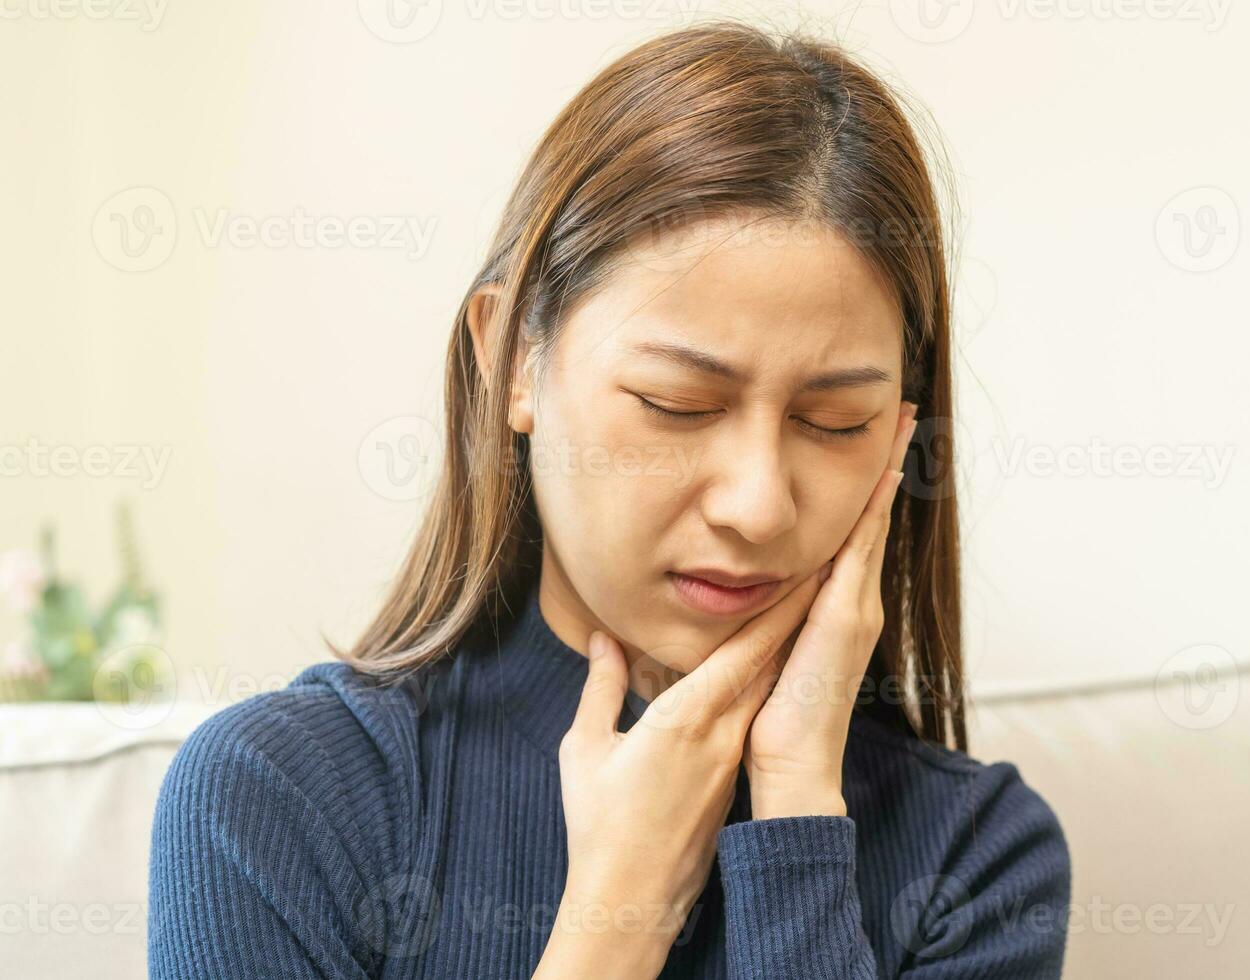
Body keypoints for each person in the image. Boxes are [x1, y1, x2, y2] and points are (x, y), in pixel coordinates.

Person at [148, 19, 1071, 979]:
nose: (757, 507)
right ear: (513, 359)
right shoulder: (282, 797)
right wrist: (618, 915)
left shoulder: (975, 855)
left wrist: (796, 809)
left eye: (834, 421)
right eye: (678, 405)